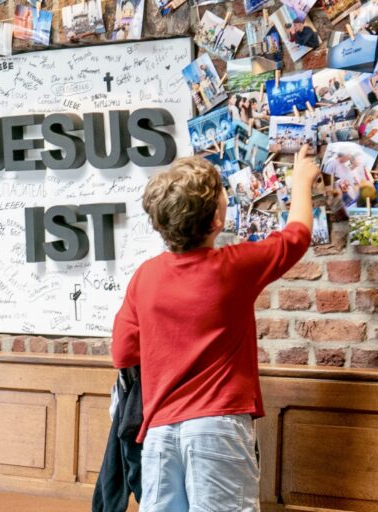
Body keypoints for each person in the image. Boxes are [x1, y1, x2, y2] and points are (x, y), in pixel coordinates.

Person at [111, 146, 319, 512]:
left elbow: (123, 353)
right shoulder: (234, 267)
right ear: (215, 222)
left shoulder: (145, 276)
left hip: (159, 433)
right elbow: (296, 237)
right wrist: (302, 179)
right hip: (218, 428)